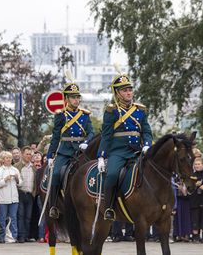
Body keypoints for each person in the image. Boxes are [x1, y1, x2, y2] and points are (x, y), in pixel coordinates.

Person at [97, 68, 152, 220]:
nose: (129, 93)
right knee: (112, 175)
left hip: (137, 151)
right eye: (125, 90)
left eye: (130, 90)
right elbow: (106, 136)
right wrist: (101, 156)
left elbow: (146, 131)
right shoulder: (111, 111)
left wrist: (147, 144)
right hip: (118, 152)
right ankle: (108, 207)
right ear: (117, 93)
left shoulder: (140, 110)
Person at [46, 75, 94, 219]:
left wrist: (87, 141)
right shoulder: (61, 116)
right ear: (66, 99)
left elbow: (91, 131)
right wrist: (50, 155)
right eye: (73, 97)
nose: (76, 100)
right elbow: (55, 136)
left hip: (80, 151)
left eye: (78, 97)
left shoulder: (85, 115)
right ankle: (53, 205)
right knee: (55, 174)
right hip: (65, 151)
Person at [0, 151, 22, 243]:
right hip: (2, 199)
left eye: (10, 158)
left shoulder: (15, 170)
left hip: (14, 198)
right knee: (2, 218)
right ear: (3, 160)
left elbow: (21, 184)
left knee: (13, 218)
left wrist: (17, 179)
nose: (9, 159)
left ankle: (13, 237)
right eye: (7, 158)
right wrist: (5, 179)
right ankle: (2, 237)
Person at [15, 146, 36, 243]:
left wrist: (34, 193)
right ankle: (21, 236)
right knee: (21, 215)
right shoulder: (16, 166)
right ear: (22, 154)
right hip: (20, 193)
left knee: (28, 217)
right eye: (27, 154)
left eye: (30, 154)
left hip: (30, 194)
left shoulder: (33, 167)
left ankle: (27, 236)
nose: (29, 156)